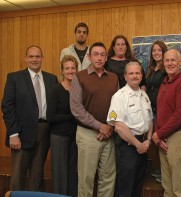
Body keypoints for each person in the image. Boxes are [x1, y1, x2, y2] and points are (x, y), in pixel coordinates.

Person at [1, 45, 58, 191]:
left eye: (37, 56)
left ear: (42, 58)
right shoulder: (14, 77)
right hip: (21, 133)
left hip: (44, 132)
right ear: (26, 59)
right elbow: (7, 107)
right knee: (18, 177)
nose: (34, 59)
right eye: (31, 56)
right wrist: (13, 134)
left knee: (37, 175)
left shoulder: (52, 79)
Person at [70, 42, 118, 197]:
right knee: (87, 178)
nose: (99, 58)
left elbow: (117, 107)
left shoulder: (113, 78)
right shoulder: (79, 77)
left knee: (108, 177)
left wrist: (108, 126)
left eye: (102, 55)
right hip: (87, 134)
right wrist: (99, 126)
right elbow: (77, 109)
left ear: (106, 57)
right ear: (89, 57)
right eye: (95, 54)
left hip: (109, 134)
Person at [107, 61, 153, 197]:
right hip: (128, 147)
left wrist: (148, 141)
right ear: (125, 76)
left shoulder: (144, 95)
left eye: (137, 73)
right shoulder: (119, 96)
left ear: (141, 75)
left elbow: (150, 120)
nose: (134, 76)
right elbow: (119, 126)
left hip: (143, 145)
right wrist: (137, 144)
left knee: (137, 186)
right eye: (131, 73)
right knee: (125, 188)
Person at [152, 49, 181, 196]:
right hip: (164, 137)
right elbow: (160, 111)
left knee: (179, 188)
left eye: (173, 60)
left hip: (178, 135)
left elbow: (180, 116)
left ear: (180, 61)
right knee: (168, 187)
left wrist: (158, 134)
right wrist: (159, 135)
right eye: (167, 60)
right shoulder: (164, 83)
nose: (169, 63)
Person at [47, 55, 78, 196]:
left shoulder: (79, 90)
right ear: (62, 71)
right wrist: (73, 116)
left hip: (76, 137)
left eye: (73, 68)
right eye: (67, 68)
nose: (70, 71)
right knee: (60, 174)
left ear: (77, 70)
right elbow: (51, 117)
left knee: (74, 172)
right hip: (59, 136)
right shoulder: (56, 90)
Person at [146, 40, 168, 182]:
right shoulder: (151, 68)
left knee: (162, 139)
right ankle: (159, 169)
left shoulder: (166, 68)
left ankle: (165, 171)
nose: (156, 53)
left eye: (159, 50)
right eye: (154, 50)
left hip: (162, 110)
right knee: (155, 140)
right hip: (151, 110)